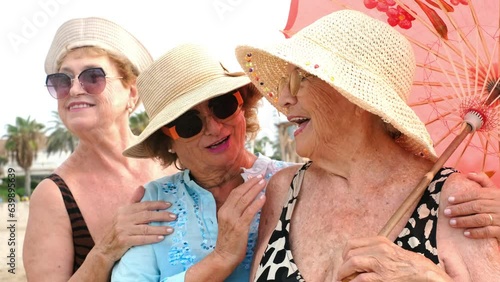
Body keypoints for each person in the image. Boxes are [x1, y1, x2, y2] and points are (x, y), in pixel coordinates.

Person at [235, 9, 500, 281]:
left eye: (298, 78)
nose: (284, 98)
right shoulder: (284, 190)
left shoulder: (455, 200)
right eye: (282, 83)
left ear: (357, 97)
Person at [111, 43, 295, 281]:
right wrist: (221, 259)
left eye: (222, 105)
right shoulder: (155, 200)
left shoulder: (297, 181)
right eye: (189, 124)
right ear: (167, 142)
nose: (215, 128)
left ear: (243, 105)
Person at [23, 17, 177, 281]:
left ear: (132, 92)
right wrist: (107, 249)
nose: (73, 89)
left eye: (92, 77)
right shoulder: (53, 196)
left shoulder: (176, 161)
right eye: (62, 80)